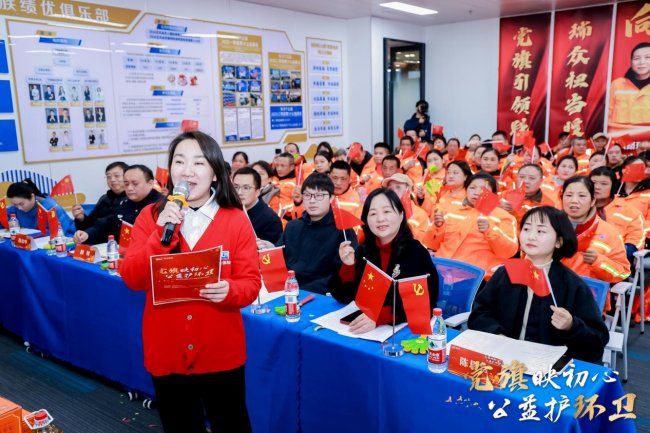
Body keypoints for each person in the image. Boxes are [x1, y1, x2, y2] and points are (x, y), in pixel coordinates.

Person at [121, 131, 259, 433]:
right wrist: (159, 234)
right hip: (167, 349)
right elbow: (132, 277)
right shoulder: (150, 217)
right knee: (180, 425)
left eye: (198, 162)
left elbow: (251, 283)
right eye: (179, 161)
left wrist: (230, 290)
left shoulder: (235, 218)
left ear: (215, 173)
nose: (187, 171)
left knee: (232, 424)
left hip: (220, 351)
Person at [468, 206, 609, 363]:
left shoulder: (572, 285)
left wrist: (571, 326)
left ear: (559, 242)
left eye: (541, 231)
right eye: (526, 229)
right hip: (502, 358)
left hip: (548, 367)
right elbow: (479, 314)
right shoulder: (506, 273)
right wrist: (497, 335)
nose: (531, 236)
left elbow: (597, 342)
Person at [330, 188, 439, 333]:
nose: (380, 219)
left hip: (403, 330)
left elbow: (423, 302)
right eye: (373, 213)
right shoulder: (364, 251)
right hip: (365, 328)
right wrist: (348, 266)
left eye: (387, 211)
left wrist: (379, 317)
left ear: (401, 215)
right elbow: (344, 297)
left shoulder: (416, 253)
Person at [257, 173, 357, 294]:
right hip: (288, 290)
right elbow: (279, 263)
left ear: (331, 198)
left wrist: (302, 291)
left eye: (319, 196)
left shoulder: (344, 231)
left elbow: (340, 275)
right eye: (308, 195)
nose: (312, 201)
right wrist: (272, 250)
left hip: (321, 294)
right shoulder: (292, 226)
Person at [431, 172, 518, 278]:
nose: (476, 192)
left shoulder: (504, 217)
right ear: (466, 190)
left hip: (475, 277)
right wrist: (437, 226)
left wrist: (490, 230)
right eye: (472, 188)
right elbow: (432, 244)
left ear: (494, 194)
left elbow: (508, 251)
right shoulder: (450, 211)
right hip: (441, 271)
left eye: (483, 189)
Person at [560, 176, 630, 289]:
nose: (574, 200)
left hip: (590, 295)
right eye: (568, 195)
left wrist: (598, 261)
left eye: (582, 196)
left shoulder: (609, 232)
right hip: (552, 292)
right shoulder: (550, 226)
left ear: (593, 201)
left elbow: (622, 273)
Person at [74, 165, 162, 244]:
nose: (129, 188)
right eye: (126, 184)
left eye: (135, 183)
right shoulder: (125, 203)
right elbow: (107, 225)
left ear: (150, 183)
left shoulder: (162, 205)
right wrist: (87, 234)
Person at [590, 166, 644, 266]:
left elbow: (634, 245)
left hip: (612, 262)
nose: (597, 187)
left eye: (604, 184)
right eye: (593, 183)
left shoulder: (631, 212)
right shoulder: (578, 207)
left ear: (613, 187)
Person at [71, 161, 128, 232]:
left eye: (116, 176)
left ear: (127, 177)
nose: (112, 180)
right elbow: (89, 225)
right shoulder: (104, 199)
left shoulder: (132, 199)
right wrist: (81, 218)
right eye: (108, 177)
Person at [6, 179, 75, 236]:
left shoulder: (50, 208)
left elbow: (60, 232)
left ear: (32, 196)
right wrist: (8, 223)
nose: (19, 208)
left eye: (21, 204)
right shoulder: (16, 208)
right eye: (15, 205)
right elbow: (5, 216)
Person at [233, 167, 282, 244]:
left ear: (257, 192)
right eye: (236, 187)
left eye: (246, 188)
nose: (239, 192)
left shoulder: (270, 219)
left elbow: (270, 250)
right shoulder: (229, 211)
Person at [608, 42, 650, 130]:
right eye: (637, 58)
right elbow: (607, 115)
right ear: (631, 62)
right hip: (620, 135)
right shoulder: (617, 84)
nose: (642, 62)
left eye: (647, 57)